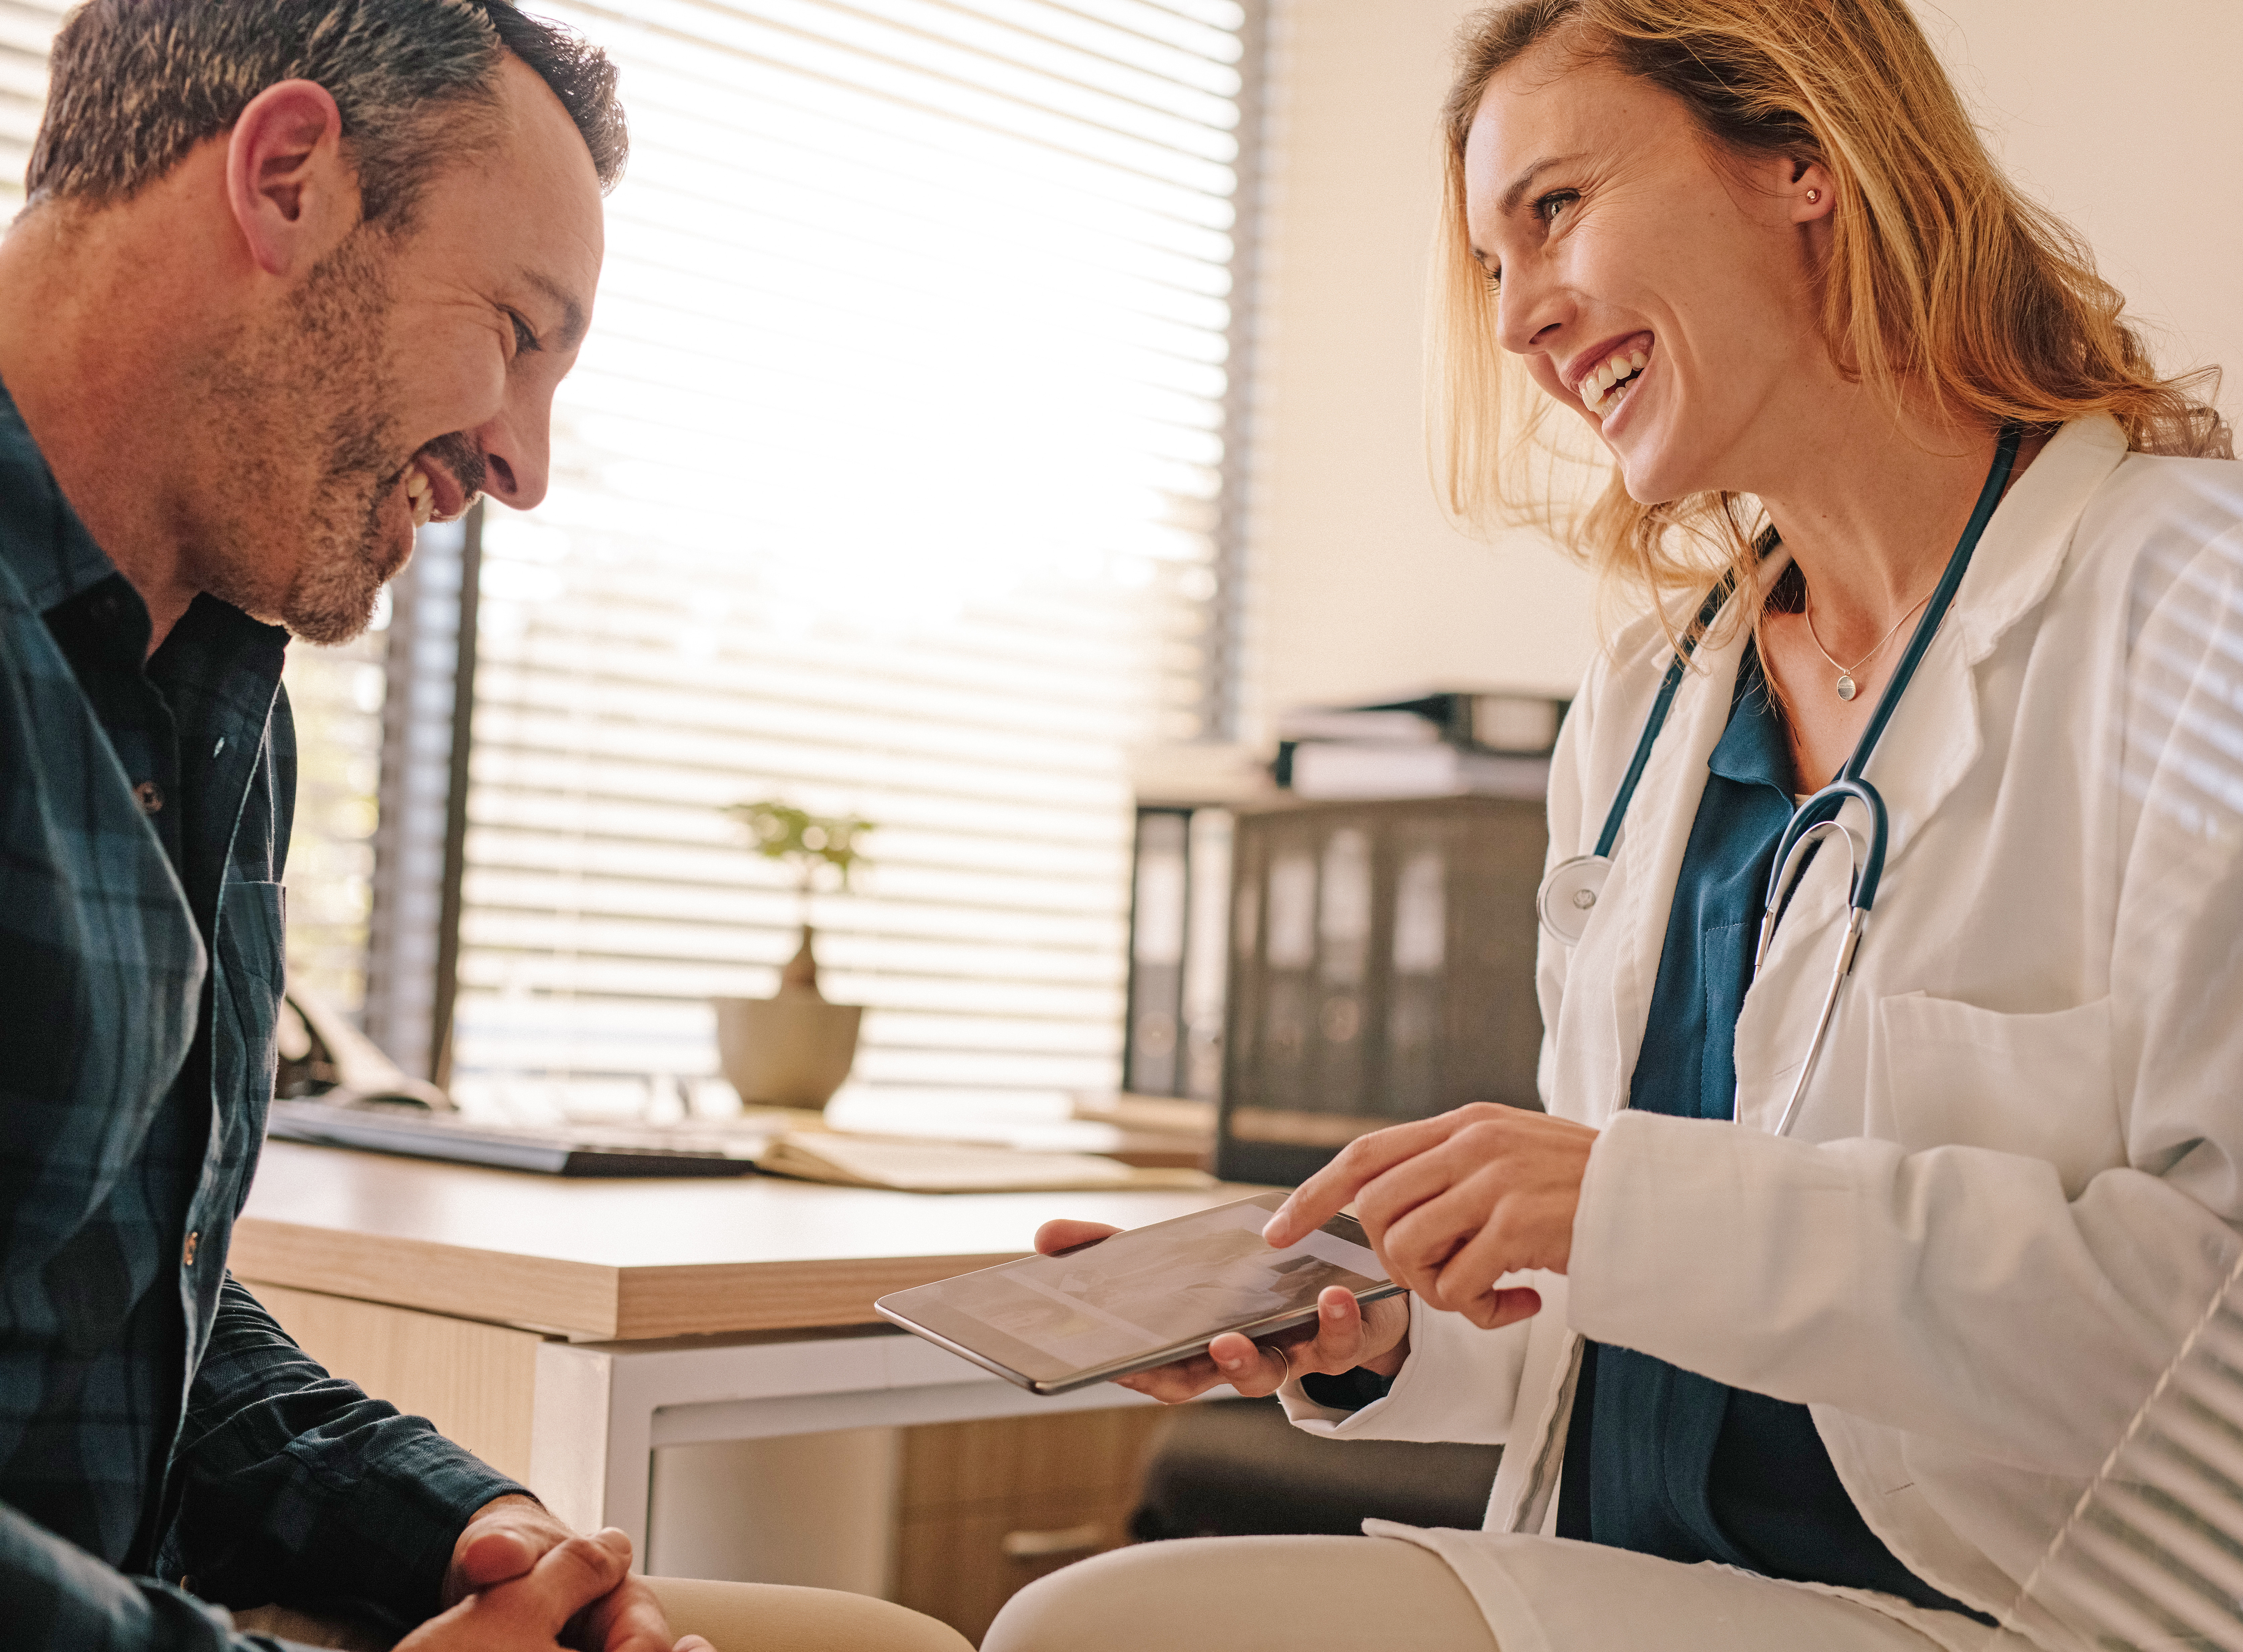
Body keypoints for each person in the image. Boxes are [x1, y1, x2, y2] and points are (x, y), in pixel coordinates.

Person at [985, 1, 2243, 1649]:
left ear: (1803, 156)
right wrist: (1374, 1323)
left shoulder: (2187, 610)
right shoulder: (1654, 702)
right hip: (1619, 1575)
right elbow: (1622, 1311)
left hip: (2012, 1605)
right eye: (1491, 263)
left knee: (1102, 1631)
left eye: (1553, 210)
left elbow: (2205, 1325)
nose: (1514, 320)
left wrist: (1617, 1202)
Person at [0, 3, 709, 1648]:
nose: (520, 464)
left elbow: (112, 1311)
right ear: (289, 178)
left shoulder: (213, 694)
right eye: (519, 333)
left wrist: (468, 1527)